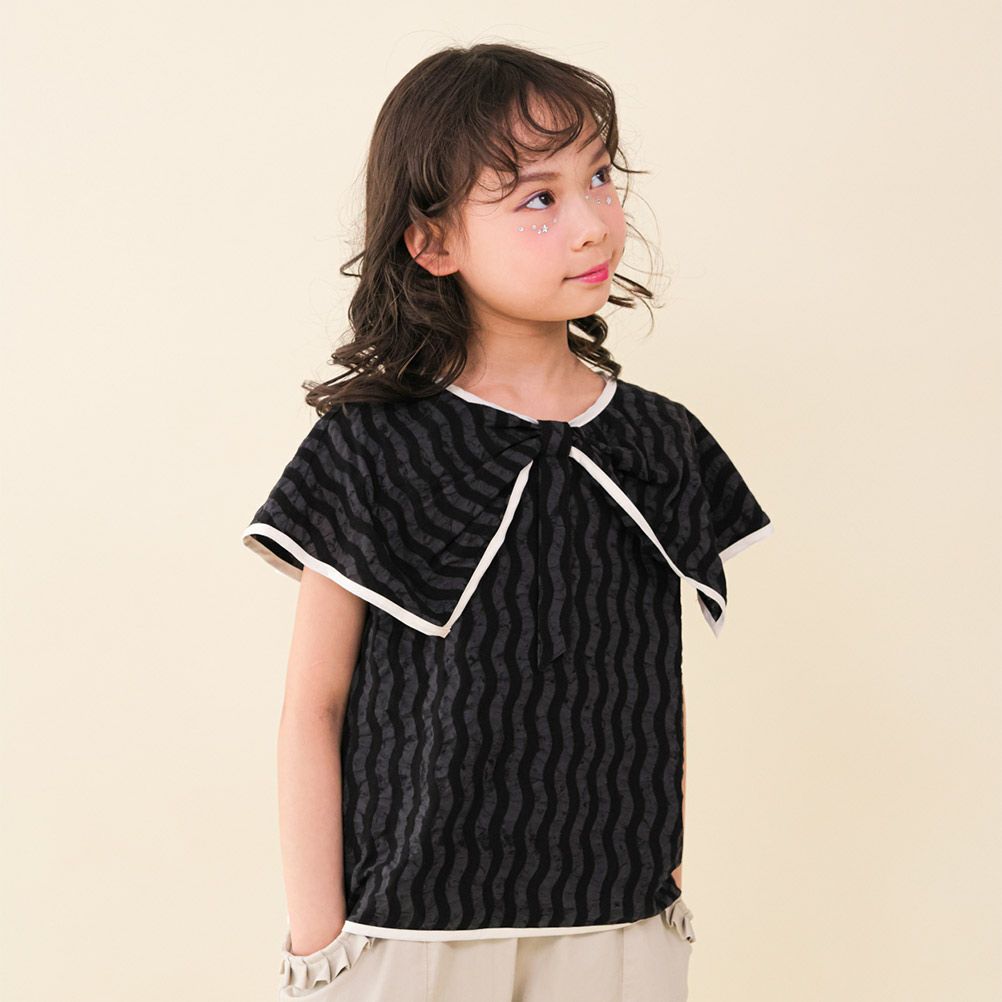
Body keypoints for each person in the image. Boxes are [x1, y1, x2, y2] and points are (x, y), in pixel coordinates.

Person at [241, 41, 773, 1002]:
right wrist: (323, 941)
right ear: (432, 242)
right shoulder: (372, 446)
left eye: (600, 178)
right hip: (406, 933)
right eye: (538, 198)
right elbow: (314, 705)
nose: (592, 224)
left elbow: (658, 679)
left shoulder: (659, 440)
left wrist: (665, 877)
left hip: (619, 923)